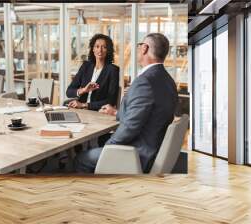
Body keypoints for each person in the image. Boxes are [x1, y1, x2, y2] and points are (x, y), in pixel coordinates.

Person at [75, 33, 178, 173]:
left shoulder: (145, 81)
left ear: (145, 48)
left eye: (139, 45)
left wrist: (108, 148)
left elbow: (130, 127)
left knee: (81, 159)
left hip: (137, 154)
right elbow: (145, 114)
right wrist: (117, 112)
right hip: (154, 147)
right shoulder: (167, 80)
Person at [66, 34, 119, 111]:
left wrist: (84, 105)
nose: (100, 50)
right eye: (97, 46)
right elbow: (69, 91)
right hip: (80, 110)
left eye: (104, 47)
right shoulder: (86, 66)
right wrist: (84, 90)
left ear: (108, 50)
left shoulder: (113, 70)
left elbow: (111, 101)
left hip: (98, 112)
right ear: (93, 49)